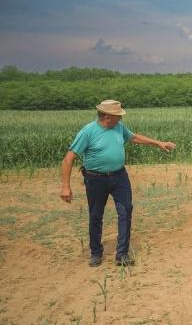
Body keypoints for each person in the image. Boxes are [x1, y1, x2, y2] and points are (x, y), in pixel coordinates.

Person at [60, 99, 176, 267]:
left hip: (119, 176)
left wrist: (158, 143)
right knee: (96, 215)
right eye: (118, 116)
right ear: (107, 117)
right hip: (95, 179)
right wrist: (65, 186)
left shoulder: (119, 128)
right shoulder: (88, 132)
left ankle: (122, 254)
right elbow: (68, 159)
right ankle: (96, 253)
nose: (120, 119)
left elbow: (134, 137)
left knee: (126, 210)